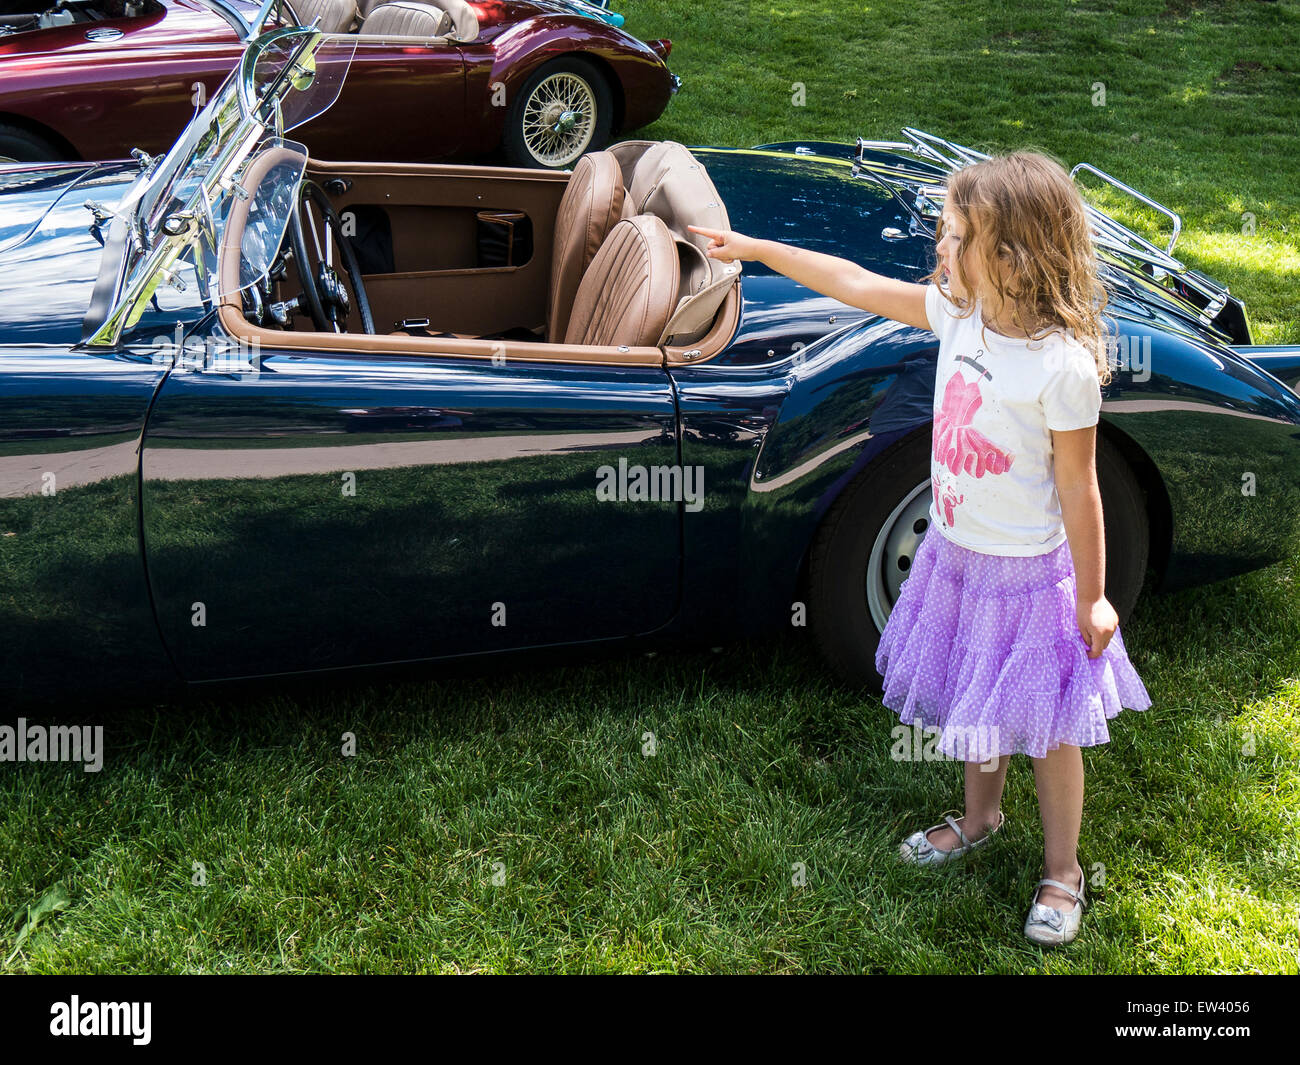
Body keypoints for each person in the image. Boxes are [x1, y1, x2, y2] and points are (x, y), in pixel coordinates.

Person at [687, 150, 1151, 946]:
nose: (939, 247)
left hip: (1030, 578)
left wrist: (1093, 593)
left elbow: (1081, 486)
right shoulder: (959, 316)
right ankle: (980, 817)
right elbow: (857, 283)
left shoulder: (1063, 366)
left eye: (954, 234)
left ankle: (1064, 870)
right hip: (957, 559)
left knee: (1045, 730)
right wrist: (759, 250)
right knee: (974, 699)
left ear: (1010, 255)